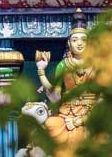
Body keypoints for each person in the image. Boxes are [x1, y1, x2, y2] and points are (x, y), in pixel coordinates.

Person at [36, 10, 97, 157]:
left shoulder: (96, 65)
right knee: (50, 125)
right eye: (75, 40)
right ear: (69, 43)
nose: (80, 43)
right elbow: (55, 95)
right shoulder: (63, 65)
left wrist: (80, 120)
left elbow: (103, 95)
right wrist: (41, 71)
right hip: (66, 114)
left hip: (91, 113)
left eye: (84, 39)